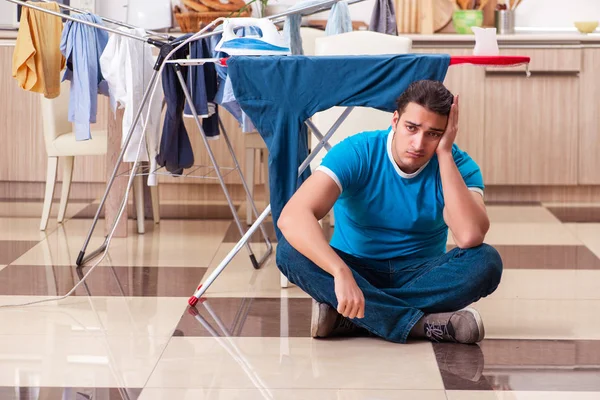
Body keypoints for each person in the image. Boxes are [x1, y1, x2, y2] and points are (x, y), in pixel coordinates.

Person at [275, 80, 503, 344]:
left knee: (486, 261)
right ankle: (422, 324)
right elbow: (292, 216)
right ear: (395, 121)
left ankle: (356, 317)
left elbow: (469, 236)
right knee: (288, 250)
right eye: (412, 128)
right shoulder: (358, 152)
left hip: (421, 275)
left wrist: (445, 155)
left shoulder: (459, 166)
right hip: (356, 268)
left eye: (433, 134)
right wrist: (340, 272)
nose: (418, 143)